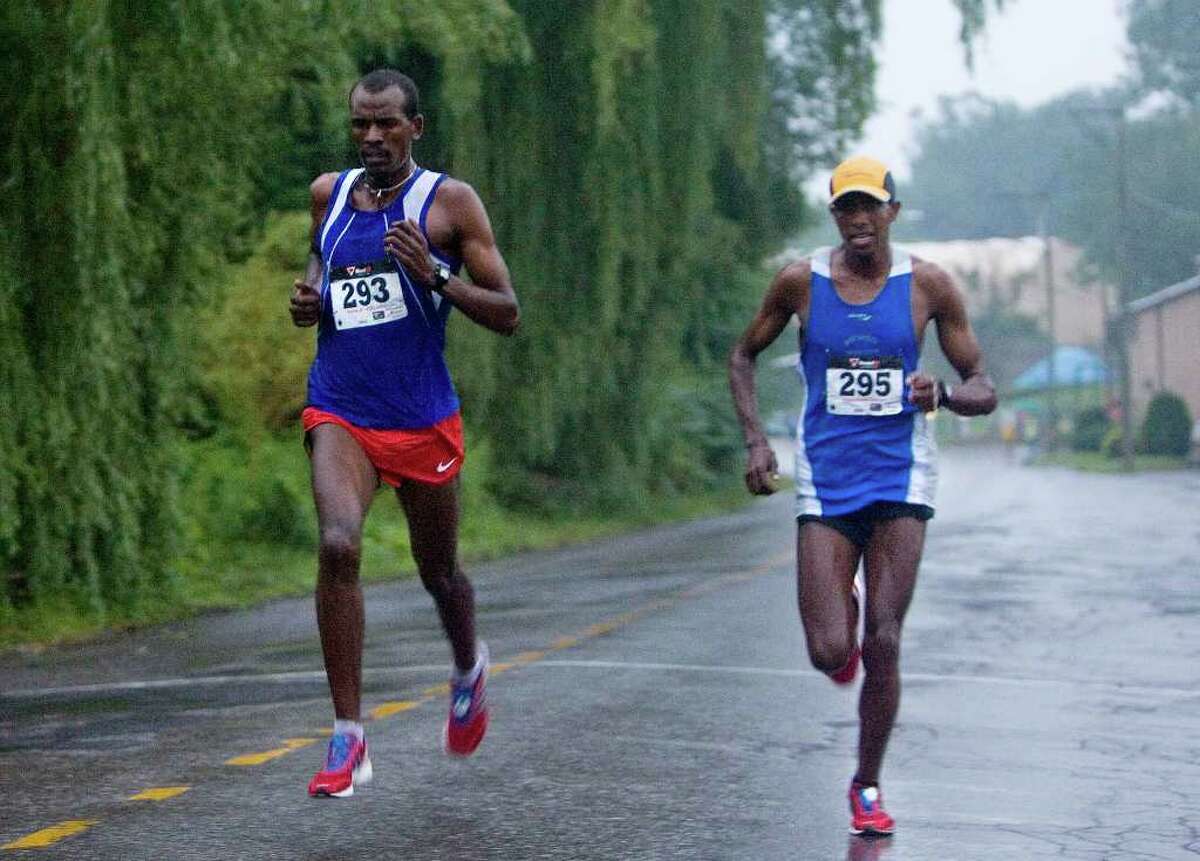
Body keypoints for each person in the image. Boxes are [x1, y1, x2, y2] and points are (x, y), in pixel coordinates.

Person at [728, 156, 996, 836]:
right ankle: (839, 610)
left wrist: (946, 395)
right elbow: (742, 355)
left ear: (893, 214)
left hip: (901, 477)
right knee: (828, 650)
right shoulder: (801, 282)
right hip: (825, 475)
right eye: (846, 208)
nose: (858, 220)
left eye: (870, 207)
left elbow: (983, 385)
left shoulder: (927, 286)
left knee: (885, 636)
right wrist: (758, 441)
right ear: (835, 217)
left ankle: (867, 783)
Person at [290, 68, 519, 798]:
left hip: (421, 418)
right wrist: (310, 294)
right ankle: (349, 736)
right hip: (341, 408)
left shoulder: (449, 203)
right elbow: (323, 260)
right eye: (360, 123)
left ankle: (467, 667)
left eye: (387, 123)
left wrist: (436, 277)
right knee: (338, 543)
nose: (372, 136)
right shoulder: (329, 194)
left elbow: (508, 310)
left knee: (440, 573)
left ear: (415, 127)